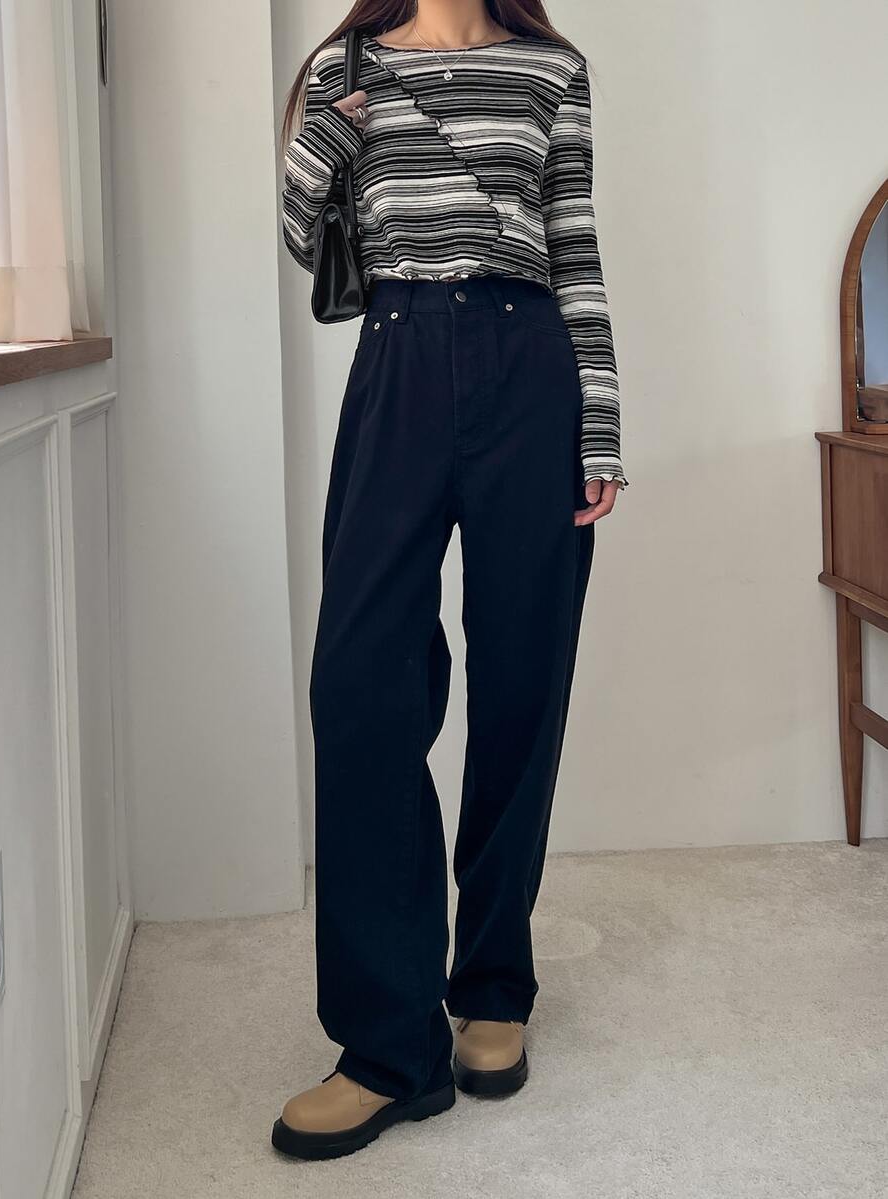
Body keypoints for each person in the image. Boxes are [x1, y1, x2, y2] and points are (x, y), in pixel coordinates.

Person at [273, 0, 626, 1161]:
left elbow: (574, 245)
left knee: (523, 681)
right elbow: (300, 231)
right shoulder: (346, 64)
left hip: (531, 366)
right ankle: (387, 1044)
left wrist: (600, 424)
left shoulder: (551, 70)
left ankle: (493, 982)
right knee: (359, 689)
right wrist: (332, 128)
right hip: (398, 357)